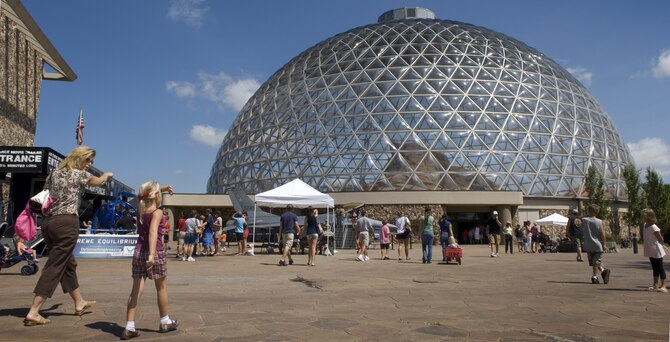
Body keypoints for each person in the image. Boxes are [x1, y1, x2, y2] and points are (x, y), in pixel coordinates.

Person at [23, 146, 112, 326]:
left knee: (67, 263)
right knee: (55, 266)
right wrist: (106, 176)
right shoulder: (77, 174)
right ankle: (34, 311)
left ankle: (79, 302)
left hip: (48, 223)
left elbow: (44, 194)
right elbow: (98, 182)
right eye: (88, 160)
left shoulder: (54, 174)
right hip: (66, 223)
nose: (89, 164)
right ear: (78, 158)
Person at [121, 182, 178, 340]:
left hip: (138, 252)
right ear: (157, 197)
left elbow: (148, 192)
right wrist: (152, 255)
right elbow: (153, 232)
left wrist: (164, 188)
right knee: (161, 288)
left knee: (136, 290)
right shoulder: (158, 212)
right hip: (155, 252)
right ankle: (165, 321)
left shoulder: (141, 209)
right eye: (160, 193)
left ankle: (129, 326)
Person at [582, 204, 610, 284]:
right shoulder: (599, 221)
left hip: (588, 245)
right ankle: (604, 271)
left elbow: (580, 219)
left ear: (588, 211)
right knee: (595, 263)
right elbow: (602, 234)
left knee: (594, 262)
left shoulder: (584, 219)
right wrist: (604, 244)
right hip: (597, 245)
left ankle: (594, 277)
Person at [642, 209, 667, 292]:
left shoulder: (654, 227)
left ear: (649, 216)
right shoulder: (645, 225)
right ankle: (655, 284)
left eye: (644, 215)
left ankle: (664, 286)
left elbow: (660, 238)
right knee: (654, 267)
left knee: (660, 267)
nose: (642, 217)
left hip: (656, 249)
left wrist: (662, 244)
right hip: (650, 249)